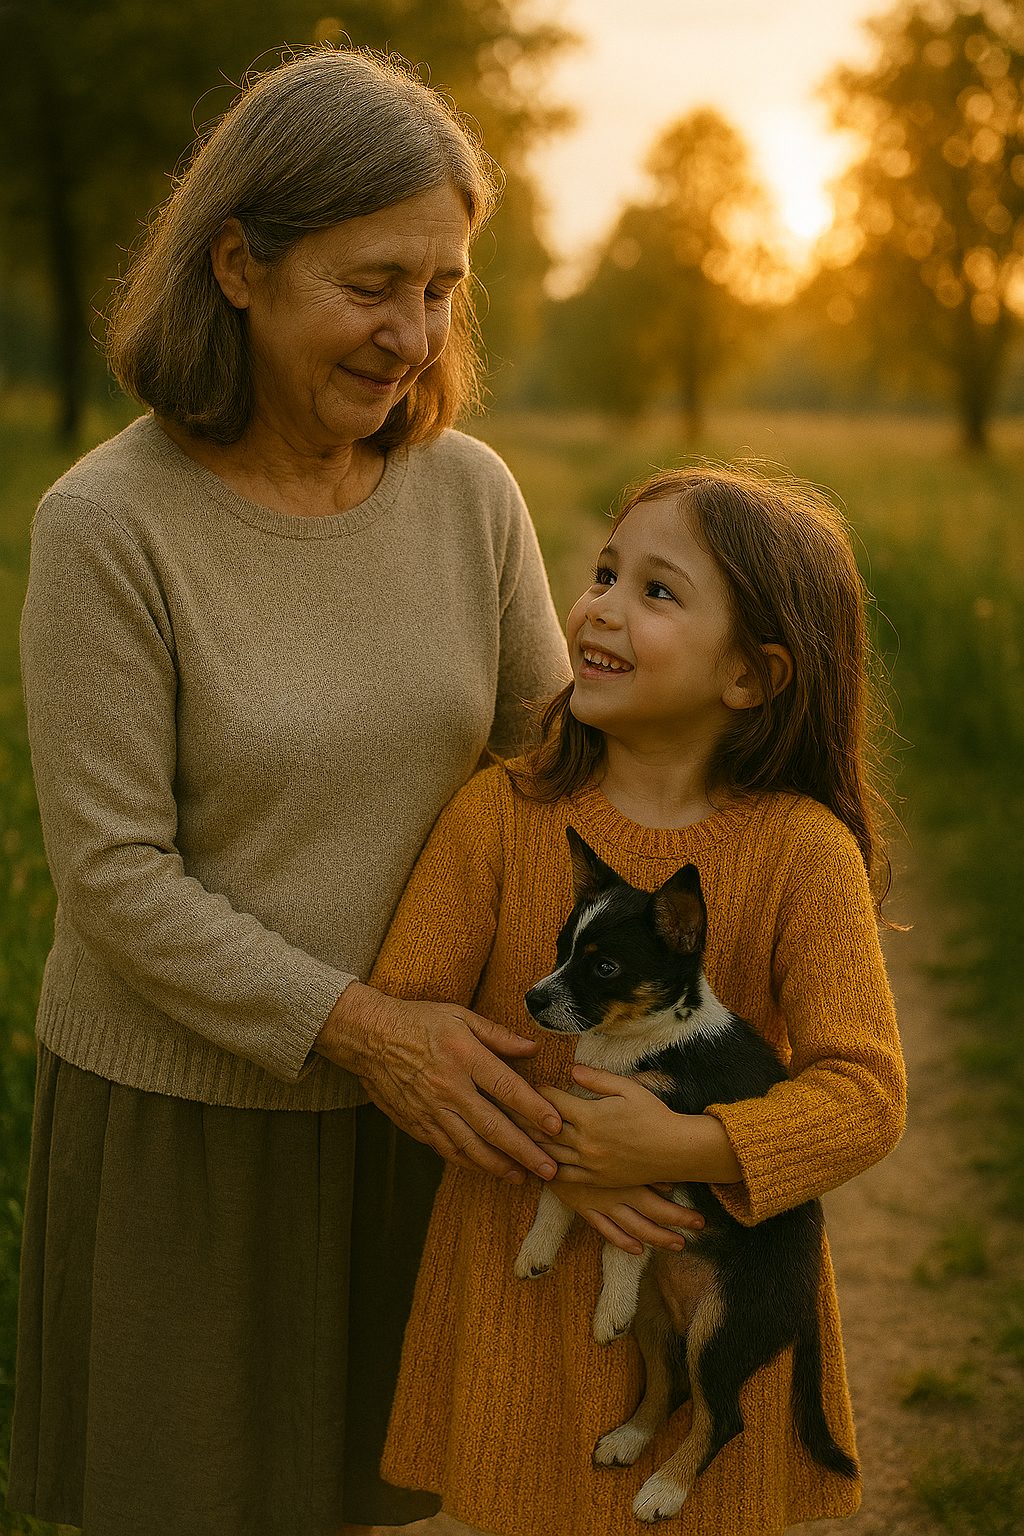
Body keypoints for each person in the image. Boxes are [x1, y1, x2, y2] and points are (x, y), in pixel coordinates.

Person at [9, 45, 573, 1536]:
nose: (414, 333)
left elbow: (553, 775)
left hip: (418, 1116)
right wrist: (365, 1032)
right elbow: (116, 880)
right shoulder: (107, 526)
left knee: (377, 1506)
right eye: (374, 282)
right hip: (189, 1125)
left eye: (444, 287)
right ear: (239, 266)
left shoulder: (471, 496)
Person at [368, 463, 908, 1536]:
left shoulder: (802, 853)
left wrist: (682, 1148)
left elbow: (864, 1096)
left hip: (706, 1270)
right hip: (522, 1283)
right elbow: (408, 1022)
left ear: (751, 677)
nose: (601, 605)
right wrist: (566, 1148)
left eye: (656, 591)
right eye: (606, 571)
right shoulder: (500, 817)